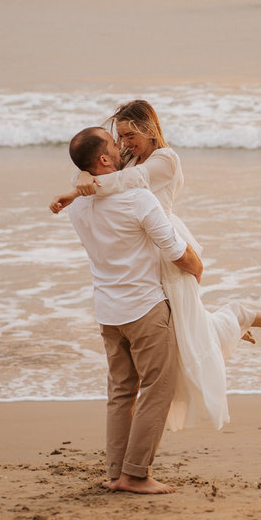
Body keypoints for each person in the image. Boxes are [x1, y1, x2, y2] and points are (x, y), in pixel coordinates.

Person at [51, 100, 261, 431]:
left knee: (189, 333)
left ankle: (235, 316)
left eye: (129, 135)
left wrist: (76, 190)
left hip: (170, 248)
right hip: (145, 252)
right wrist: (81, 175)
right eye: (119, 138)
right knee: (186, 331)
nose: (123, 144)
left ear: (149, 128)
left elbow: (124, 182)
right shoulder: (130, 157)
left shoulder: (165, 160)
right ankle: (234, 323)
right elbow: (97, 163)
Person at [62, 126, 203, 495]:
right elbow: (175, 249)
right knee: (160, 386)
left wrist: (82, 175)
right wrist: (197, 269)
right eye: (114, 144)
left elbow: (89, 179)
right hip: (144, 308)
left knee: (122, 391)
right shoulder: (138, 199)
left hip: (108, 312)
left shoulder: (77, 204)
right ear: (105, 160)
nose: (122, 146)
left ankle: (115, 473)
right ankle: (137, 474)